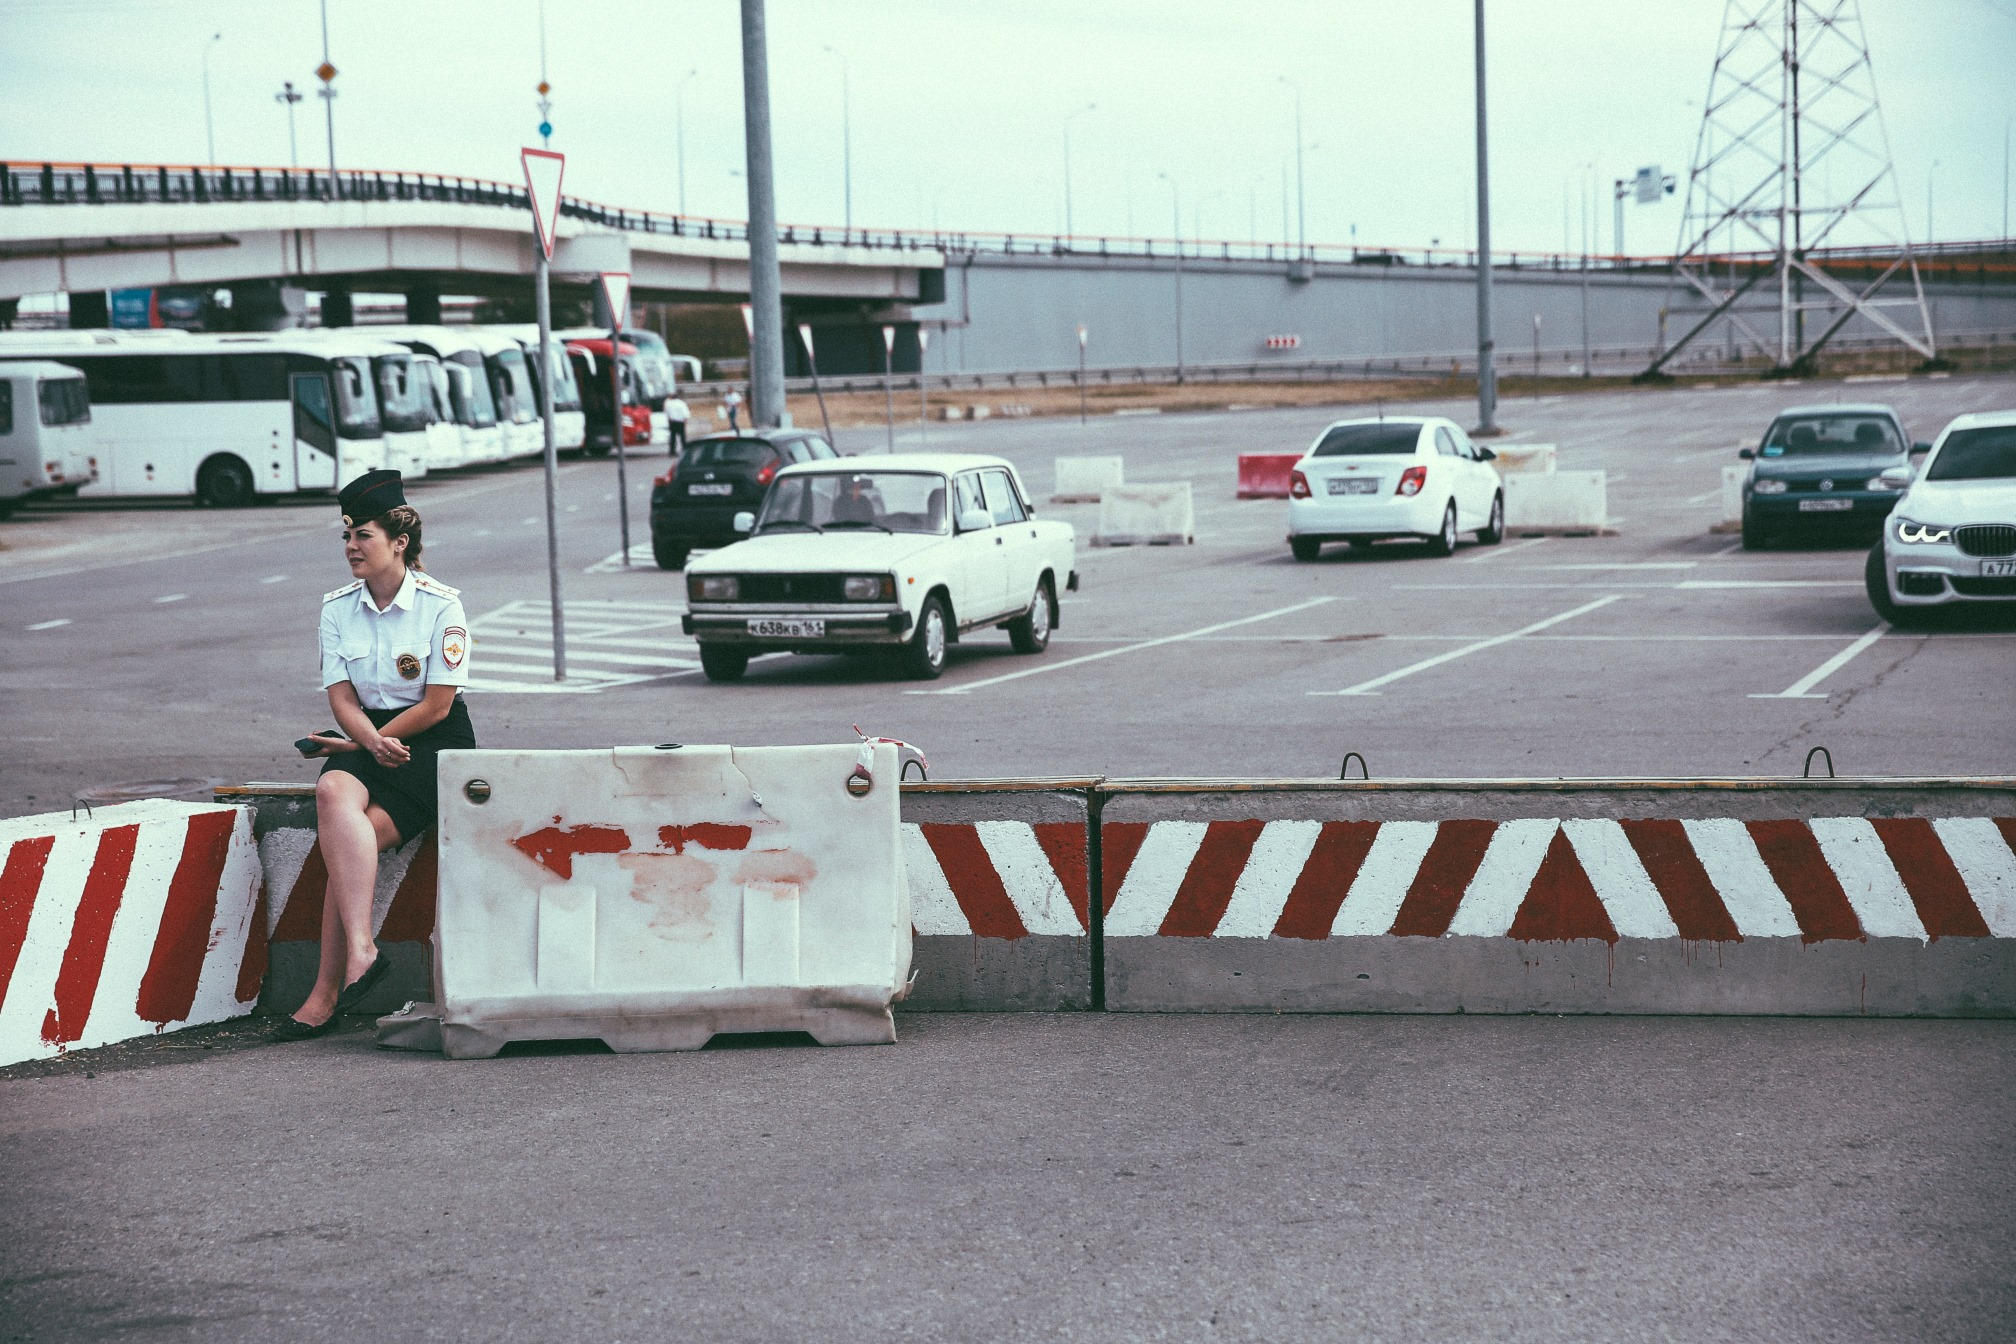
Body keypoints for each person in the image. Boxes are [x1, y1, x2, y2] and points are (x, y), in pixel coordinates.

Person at [274, 469, 476, 1041]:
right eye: (346, 536)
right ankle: (362, 953)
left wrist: (375, 742)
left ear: (399, 541)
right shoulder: (337, 609)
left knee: (349, 845)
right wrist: (366, 742)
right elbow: (342, 698)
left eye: (362, 535)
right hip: (368, 733)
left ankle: (324, 996)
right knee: (332, 790)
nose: (351, 547)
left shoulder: (442, 607)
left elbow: (437, 704)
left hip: (431, 742)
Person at [665, 391, 690, 456]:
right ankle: (685, 450)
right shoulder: (681, 403)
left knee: (673, 437)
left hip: (672, 421)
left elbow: (667, 413)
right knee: (682, 437)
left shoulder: (668, 404)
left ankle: (672, 451)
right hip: (680, 421)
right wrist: (685, 422)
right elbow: (686, 414)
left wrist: (669, 420)